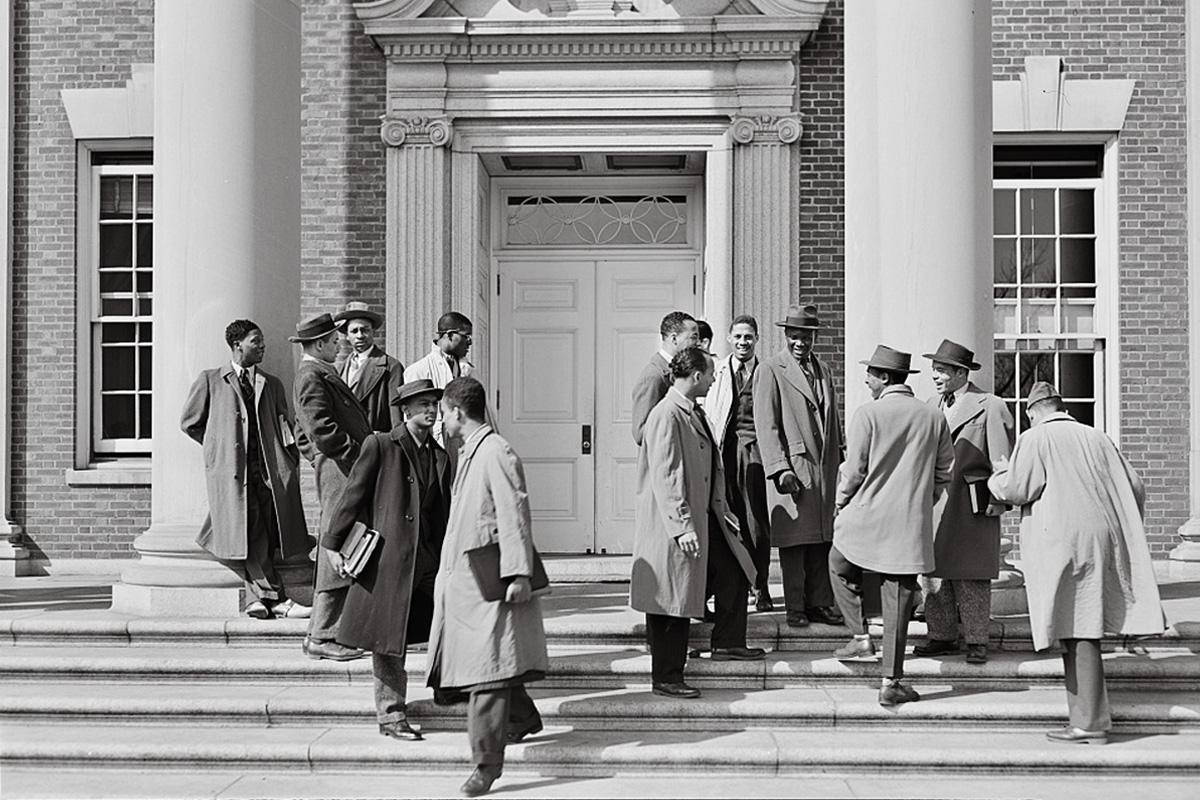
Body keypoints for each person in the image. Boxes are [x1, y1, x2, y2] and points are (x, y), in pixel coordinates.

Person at [988, 381, 1164, 744]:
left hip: (1062, 541)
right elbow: (1135, 485)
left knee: (1078, 629)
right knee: (1083, 623)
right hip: (1102, 536)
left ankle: (1089, 722)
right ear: (1061, 406)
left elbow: (1018, 489)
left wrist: (997, 475)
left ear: (1033, 412)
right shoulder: (1096, 436)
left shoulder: (1035, 438)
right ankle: (1086, 718)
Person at [426, 377, 548, 797]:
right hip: (469, 586)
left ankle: (486, 765)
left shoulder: (495, 451)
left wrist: (518, 574)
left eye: (443, 411)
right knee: (493, 666)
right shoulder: (471, 453)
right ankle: (524, 718)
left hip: (491, 585)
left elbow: (515, 512)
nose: (442, 420)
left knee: (487, 677)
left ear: (457, 412)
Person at [322, 379, 452, 743]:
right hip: (390, 559)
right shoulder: (381, 445)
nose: (430, 410)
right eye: (422, 404)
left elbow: (442, 511)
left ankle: (445, 686)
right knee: (387, 639)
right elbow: (353, 495)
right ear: (406, 410)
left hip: (428, 560)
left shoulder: (440, 454)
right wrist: (333, 543)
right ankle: (391, 714)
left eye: (433, 404)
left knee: (446, 623)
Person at [631, 347, 762, 701]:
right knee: (671, 601)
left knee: (733, 570)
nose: (716, 377)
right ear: (695, 376)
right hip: (675, 525)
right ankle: (667, 676)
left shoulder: (691, 411)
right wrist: (682, 525)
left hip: (706, 517)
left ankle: (728, 642)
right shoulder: (667, 414)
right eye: (711, 372)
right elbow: (666, 473)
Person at [829, 345, 953, 706]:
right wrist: (921, 501)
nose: (866, 379)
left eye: (870, 373)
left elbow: (854, 471)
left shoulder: (868, 413)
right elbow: (946, 470)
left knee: (838, 564)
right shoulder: (933, 416)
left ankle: (859, 635)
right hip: (908, 520)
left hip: (864, 517)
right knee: (897, 597)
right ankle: (892, 680)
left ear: (885, 378)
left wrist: (840, 504)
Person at [180, 319, 310, 620]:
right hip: (233, 475)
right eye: (256, 340)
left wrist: (289, 462)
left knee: (264, 530)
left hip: (268, 473)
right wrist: (219, 448)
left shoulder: (272, 383)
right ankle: (275, 598)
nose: (263, 345)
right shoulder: (211, 380)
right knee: (252, 532)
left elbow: (283, 427)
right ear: (237, 345)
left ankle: (257, 599)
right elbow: (190, 423)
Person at [914, 339, 1014, 665]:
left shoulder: (991, 405)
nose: (936, 376)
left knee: (972, 574)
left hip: (972, 500)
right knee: (934, 573)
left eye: (942, 371)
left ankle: (976, 639)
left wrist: (999, 499)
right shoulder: (930, 404)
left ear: (961, 373)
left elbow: (1002, 459)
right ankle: (940, 635)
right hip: (936, 500)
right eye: (934, 370)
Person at [753, 304, 844, 627]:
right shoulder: (770, 369)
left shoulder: (824, 369)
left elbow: (833, 421)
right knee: (795, 541)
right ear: (785, 335)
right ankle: (795, 607)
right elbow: (766, 425)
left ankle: (819, 603)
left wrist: (841, 461)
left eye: (806, 336)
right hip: (795, 468)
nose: (800, 342)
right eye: (794, 336)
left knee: (822, 539)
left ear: (814, 336)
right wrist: (780, 468)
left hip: (825, 468)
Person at [291, 312, 373, 661]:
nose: (341, 343)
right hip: (342, 469)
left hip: (339, 467)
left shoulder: (320, 372)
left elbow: (304, 433)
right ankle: (322, 634)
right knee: (335, 541)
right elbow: (319, 428)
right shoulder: (312, 375)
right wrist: (355, 459)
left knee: (341, 540)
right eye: (335, 339)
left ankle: (328, 631)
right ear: (321, 343)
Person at [707, 315, 773, 611]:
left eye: (748, 337)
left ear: (757, 339)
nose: (743, 342)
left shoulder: (766, 372)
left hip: (755, 452)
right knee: (726, 520)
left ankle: (761, 586)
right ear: (729, 339)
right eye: (738, 337)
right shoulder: (718, 370)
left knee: (756, 522)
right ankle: (732, 585)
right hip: (724, 452)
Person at [404, 311, 477, 449]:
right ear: (449, 335)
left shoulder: (469, 371)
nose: (470, 342)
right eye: (466, 336)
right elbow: (412, 422)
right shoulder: (419, 370)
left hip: (464, 449)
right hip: (434, 452)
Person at [334, 301, 405, 434]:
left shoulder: (390, 366)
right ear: (347, 336)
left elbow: (396, 414)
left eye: (365, 330)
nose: (360, 335)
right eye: (354, 331)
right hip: (348, 444)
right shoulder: (339, 370)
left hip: (375, 441)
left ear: (373, 332)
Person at [631, 311, 698, 446]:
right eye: (693, 337)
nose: (698, 343)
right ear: (674, 339)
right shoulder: (653, 376)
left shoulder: (682, 371)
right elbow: (642, 433)